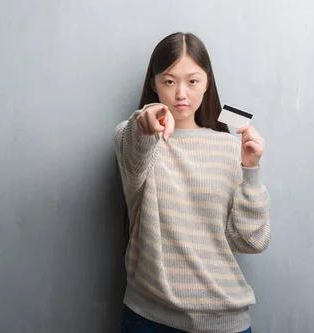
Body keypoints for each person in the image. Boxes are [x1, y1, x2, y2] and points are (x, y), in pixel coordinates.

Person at [113, 32, 271, 333]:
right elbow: (135, 139)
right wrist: (147, 118)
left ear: (207, 83)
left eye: (193, 81)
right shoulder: (133, 137)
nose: (181, 94)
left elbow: (250, 242)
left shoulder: (229, 148)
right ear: (154, 84)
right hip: (148, 317)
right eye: (169, 81)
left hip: (225, 320)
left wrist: (251, 171)